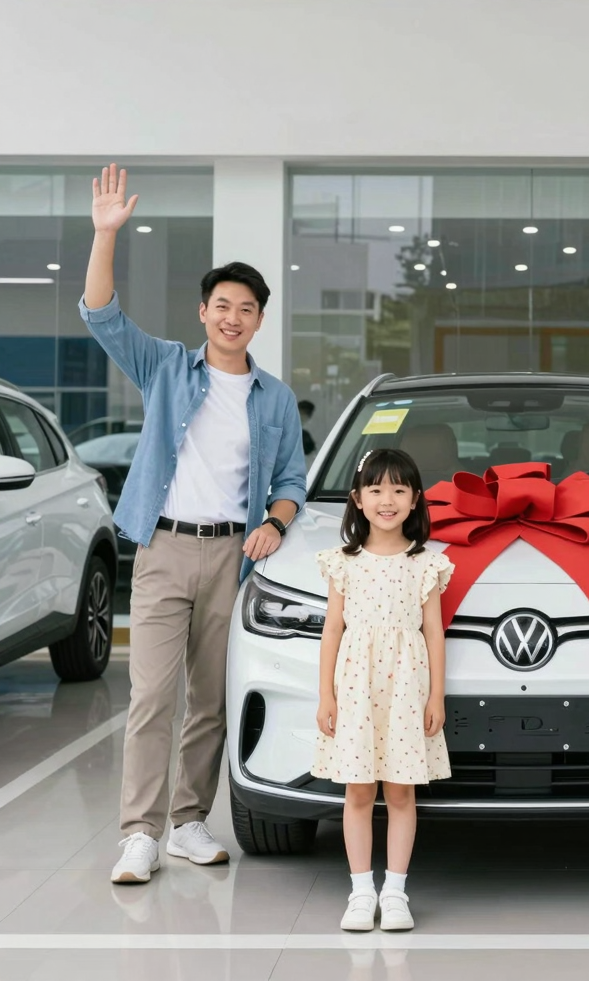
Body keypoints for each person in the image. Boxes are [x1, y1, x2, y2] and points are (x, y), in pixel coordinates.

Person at [79, 164, 307, 885]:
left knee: (209, 701)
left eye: (246, 307)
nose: (233, 316)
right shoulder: (167, 369)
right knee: (152, 696)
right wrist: (105, 235)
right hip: (166, 549)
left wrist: (275, 522)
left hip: (233, 559)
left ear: (260, 320)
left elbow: (292, 483)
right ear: (203, 313)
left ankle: (186, 823)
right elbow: (101, 314)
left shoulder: (274, 399)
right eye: (221, 305)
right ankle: (138, 833)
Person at [313, 447, 452, 932]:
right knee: (357, 789)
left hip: (406, 690)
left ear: (415, 500)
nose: (386, 499)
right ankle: (360, 891)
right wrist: (326, 695)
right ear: (357, 499)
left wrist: (436, 696)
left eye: (398, 489)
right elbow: (333, 630)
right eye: (376, 489)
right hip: (355, 687)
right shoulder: (343, 562)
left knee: (401, 791)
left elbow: (434, 632)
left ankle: (395, 891)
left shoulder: (426, 564)